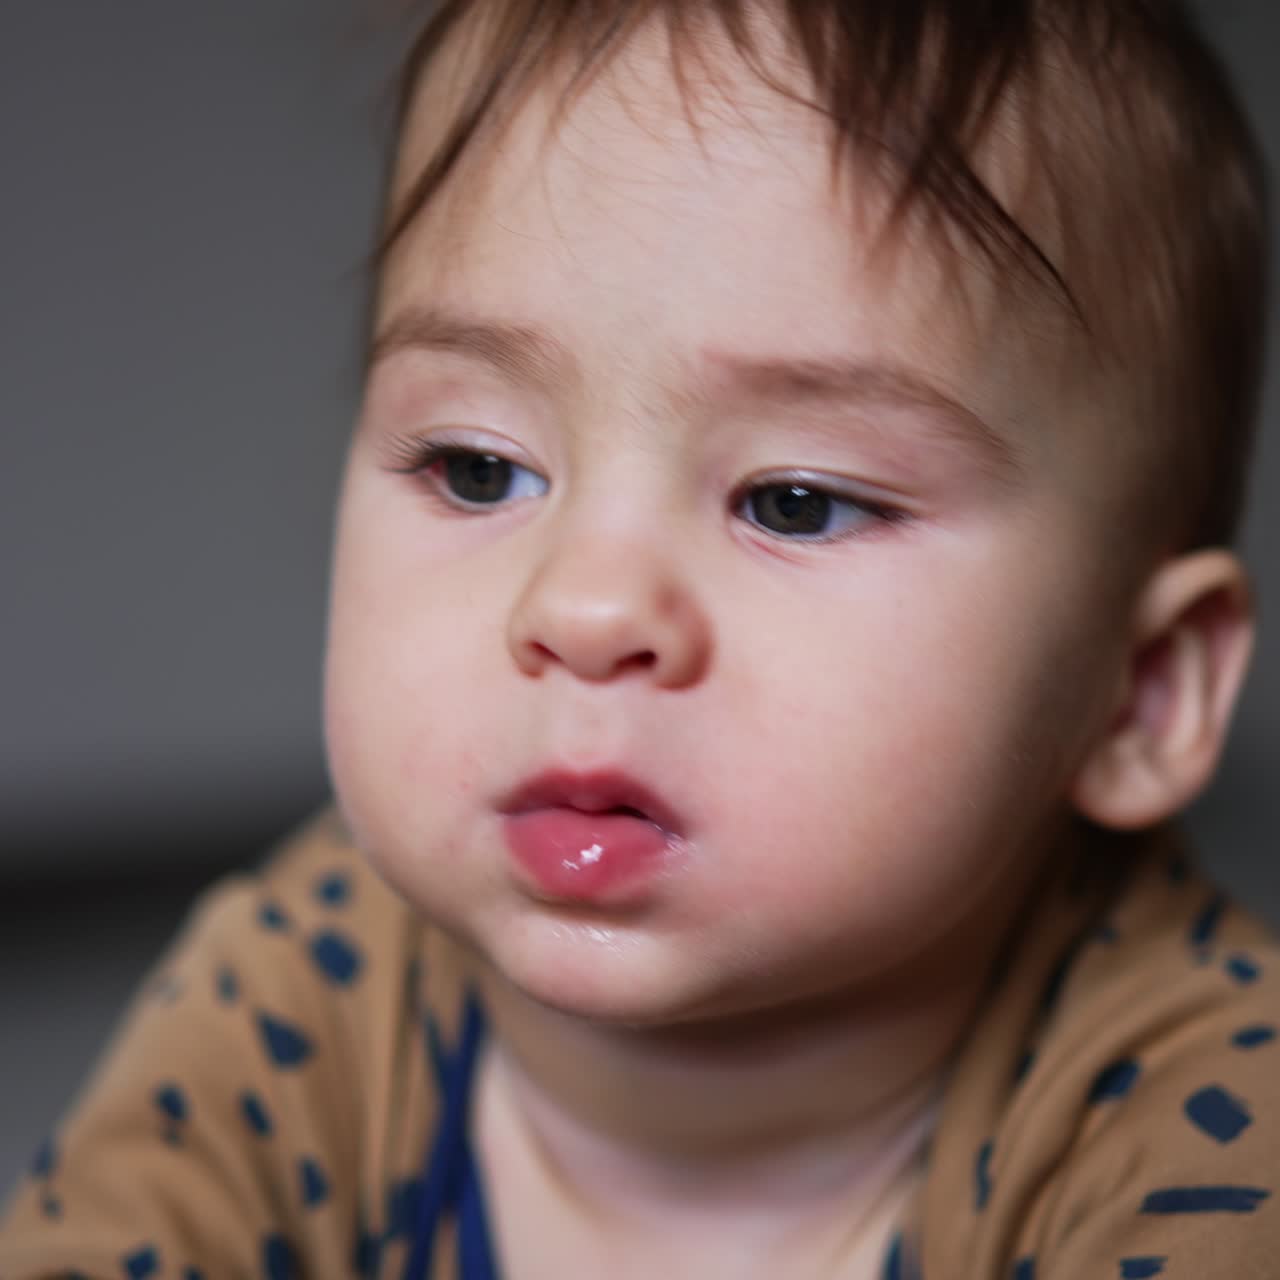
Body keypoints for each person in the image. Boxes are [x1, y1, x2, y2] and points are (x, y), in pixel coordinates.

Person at [2, 1, 1275, 1276]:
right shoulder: (309, 983)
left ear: (1138, 689)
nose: (584, 607)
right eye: (478, 467)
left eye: (795, 500)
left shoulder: (1214, 1128)